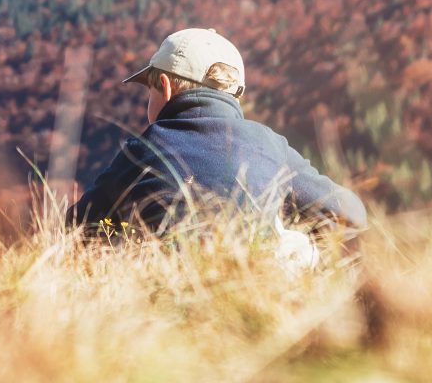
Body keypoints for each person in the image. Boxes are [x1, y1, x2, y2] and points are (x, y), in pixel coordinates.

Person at [67, 27, 366, 236]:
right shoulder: (271, 145)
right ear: (235, 95)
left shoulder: (142, 151)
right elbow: (350, 215)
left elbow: (75, 229)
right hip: (257, 297)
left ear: (166, 88)